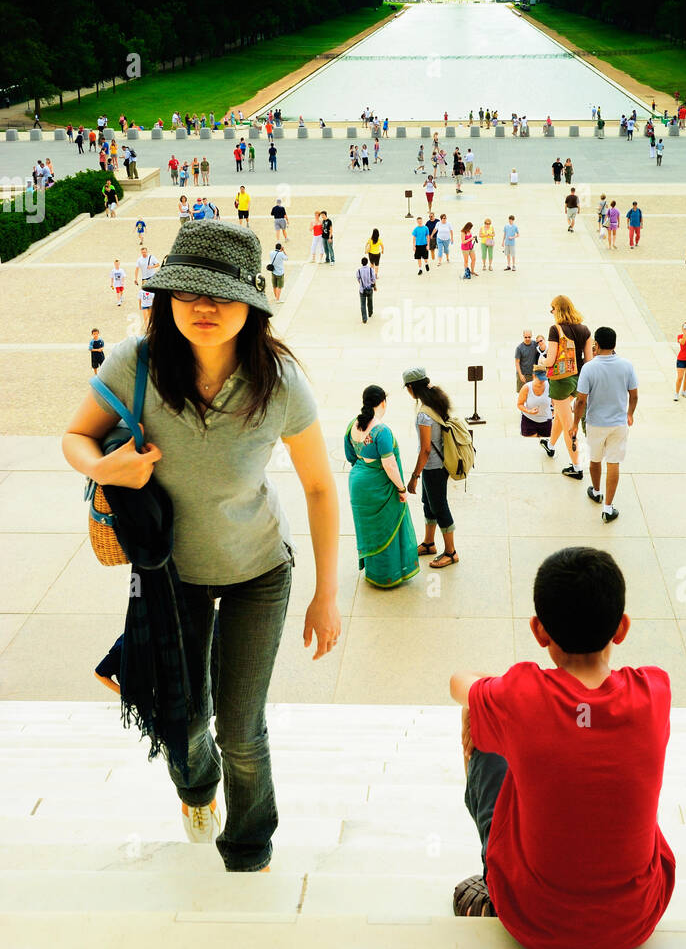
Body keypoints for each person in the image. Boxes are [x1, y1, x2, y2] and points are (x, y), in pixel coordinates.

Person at [63, 222, 340, 870]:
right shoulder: (137, 363)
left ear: (254, 302)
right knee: (184, 722)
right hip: (168, 575)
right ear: (166, 299)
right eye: (188, 293)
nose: (205, 308)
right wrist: (104, 469)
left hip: (257, 570)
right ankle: (196, 790)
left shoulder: (280, 381)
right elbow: (77, 436)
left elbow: (321, 488)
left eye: (220, 294)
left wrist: (326, 596)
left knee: (242, 730)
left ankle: (249, 846)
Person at [449, 546, 675, 949]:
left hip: (532, 920)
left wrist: (488, 698)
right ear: (621, 628)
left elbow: (458, 683)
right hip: (635, 921)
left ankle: (491, 876)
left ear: (539, 631)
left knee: (480, 720)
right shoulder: (655, 691)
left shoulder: (520, 695)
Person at [572, 327, 638, 522]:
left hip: (596, 422)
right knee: (614, 462)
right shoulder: (627, 365)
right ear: (614, 344)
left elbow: (581, 400)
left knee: (594, 459)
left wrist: (575, 423)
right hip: (618, 422)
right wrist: (630, 414)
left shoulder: (589, 368)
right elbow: (633, 395)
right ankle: (608, 507)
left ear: (597, 345)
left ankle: (597, 490)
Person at [404, 368, 458, 569]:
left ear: (411, 388)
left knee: (439, 506)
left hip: (433, 467)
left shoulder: (424, 415)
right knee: (429, 503)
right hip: (439, 465)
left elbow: (425, 449)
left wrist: (414, 476)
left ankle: (451, 552)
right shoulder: (436, 402)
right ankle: (429, 543)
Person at [543, 295, 592, 479]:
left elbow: (550, 359)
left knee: (568, 424)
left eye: (552, 309)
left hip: (561, 381)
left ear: (558, 309)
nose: (552, 312)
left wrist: (541, 359)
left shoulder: (555, 329)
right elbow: (589, 361)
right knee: (561, 416)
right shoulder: (585, 330)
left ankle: (576, 466)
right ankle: (550, 445)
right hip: (578, 379)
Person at [517, 364, 553, 441]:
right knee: (531, 446)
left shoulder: (550, 386)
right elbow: (519, 404)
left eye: (544, 379)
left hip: (546, 421)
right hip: (529, 421)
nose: (542, 381)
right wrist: (529, 411)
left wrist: (555, 412)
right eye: (540, 379)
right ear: (534, 376)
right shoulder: (526, 388)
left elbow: (555, 402)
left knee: (545, 446)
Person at [356, 255, 376, 323]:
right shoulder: (371, 269)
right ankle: (370, 312)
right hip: (370, 288)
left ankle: (364, 319)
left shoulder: (359, 271)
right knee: (370, 301)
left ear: (361, 263)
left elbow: (358, 279)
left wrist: (361, 284)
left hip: (362, 290)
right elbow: (373, 279)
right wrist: (375, 286)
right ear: (367, 262)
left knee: (363, 304)